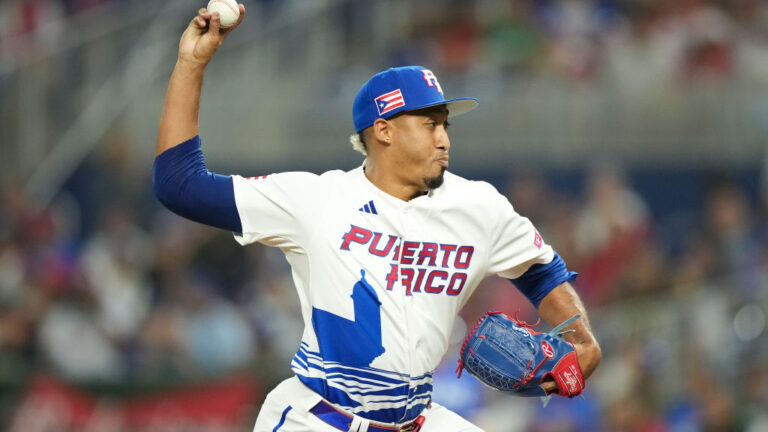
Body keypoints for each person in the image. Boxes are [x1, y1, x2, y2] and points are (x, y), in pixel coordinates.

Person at [153, 7, 601, 432]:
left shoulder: (479, 206)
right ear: (383, 130)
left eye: (445, 124)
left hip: (418, 418)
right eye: (428, 124)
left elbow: (541, 270)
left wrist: (581, 338)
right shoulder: (316, 199)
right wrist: (191, 64)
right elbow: (180, 185)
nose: (444, 138)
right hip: (319, 418)